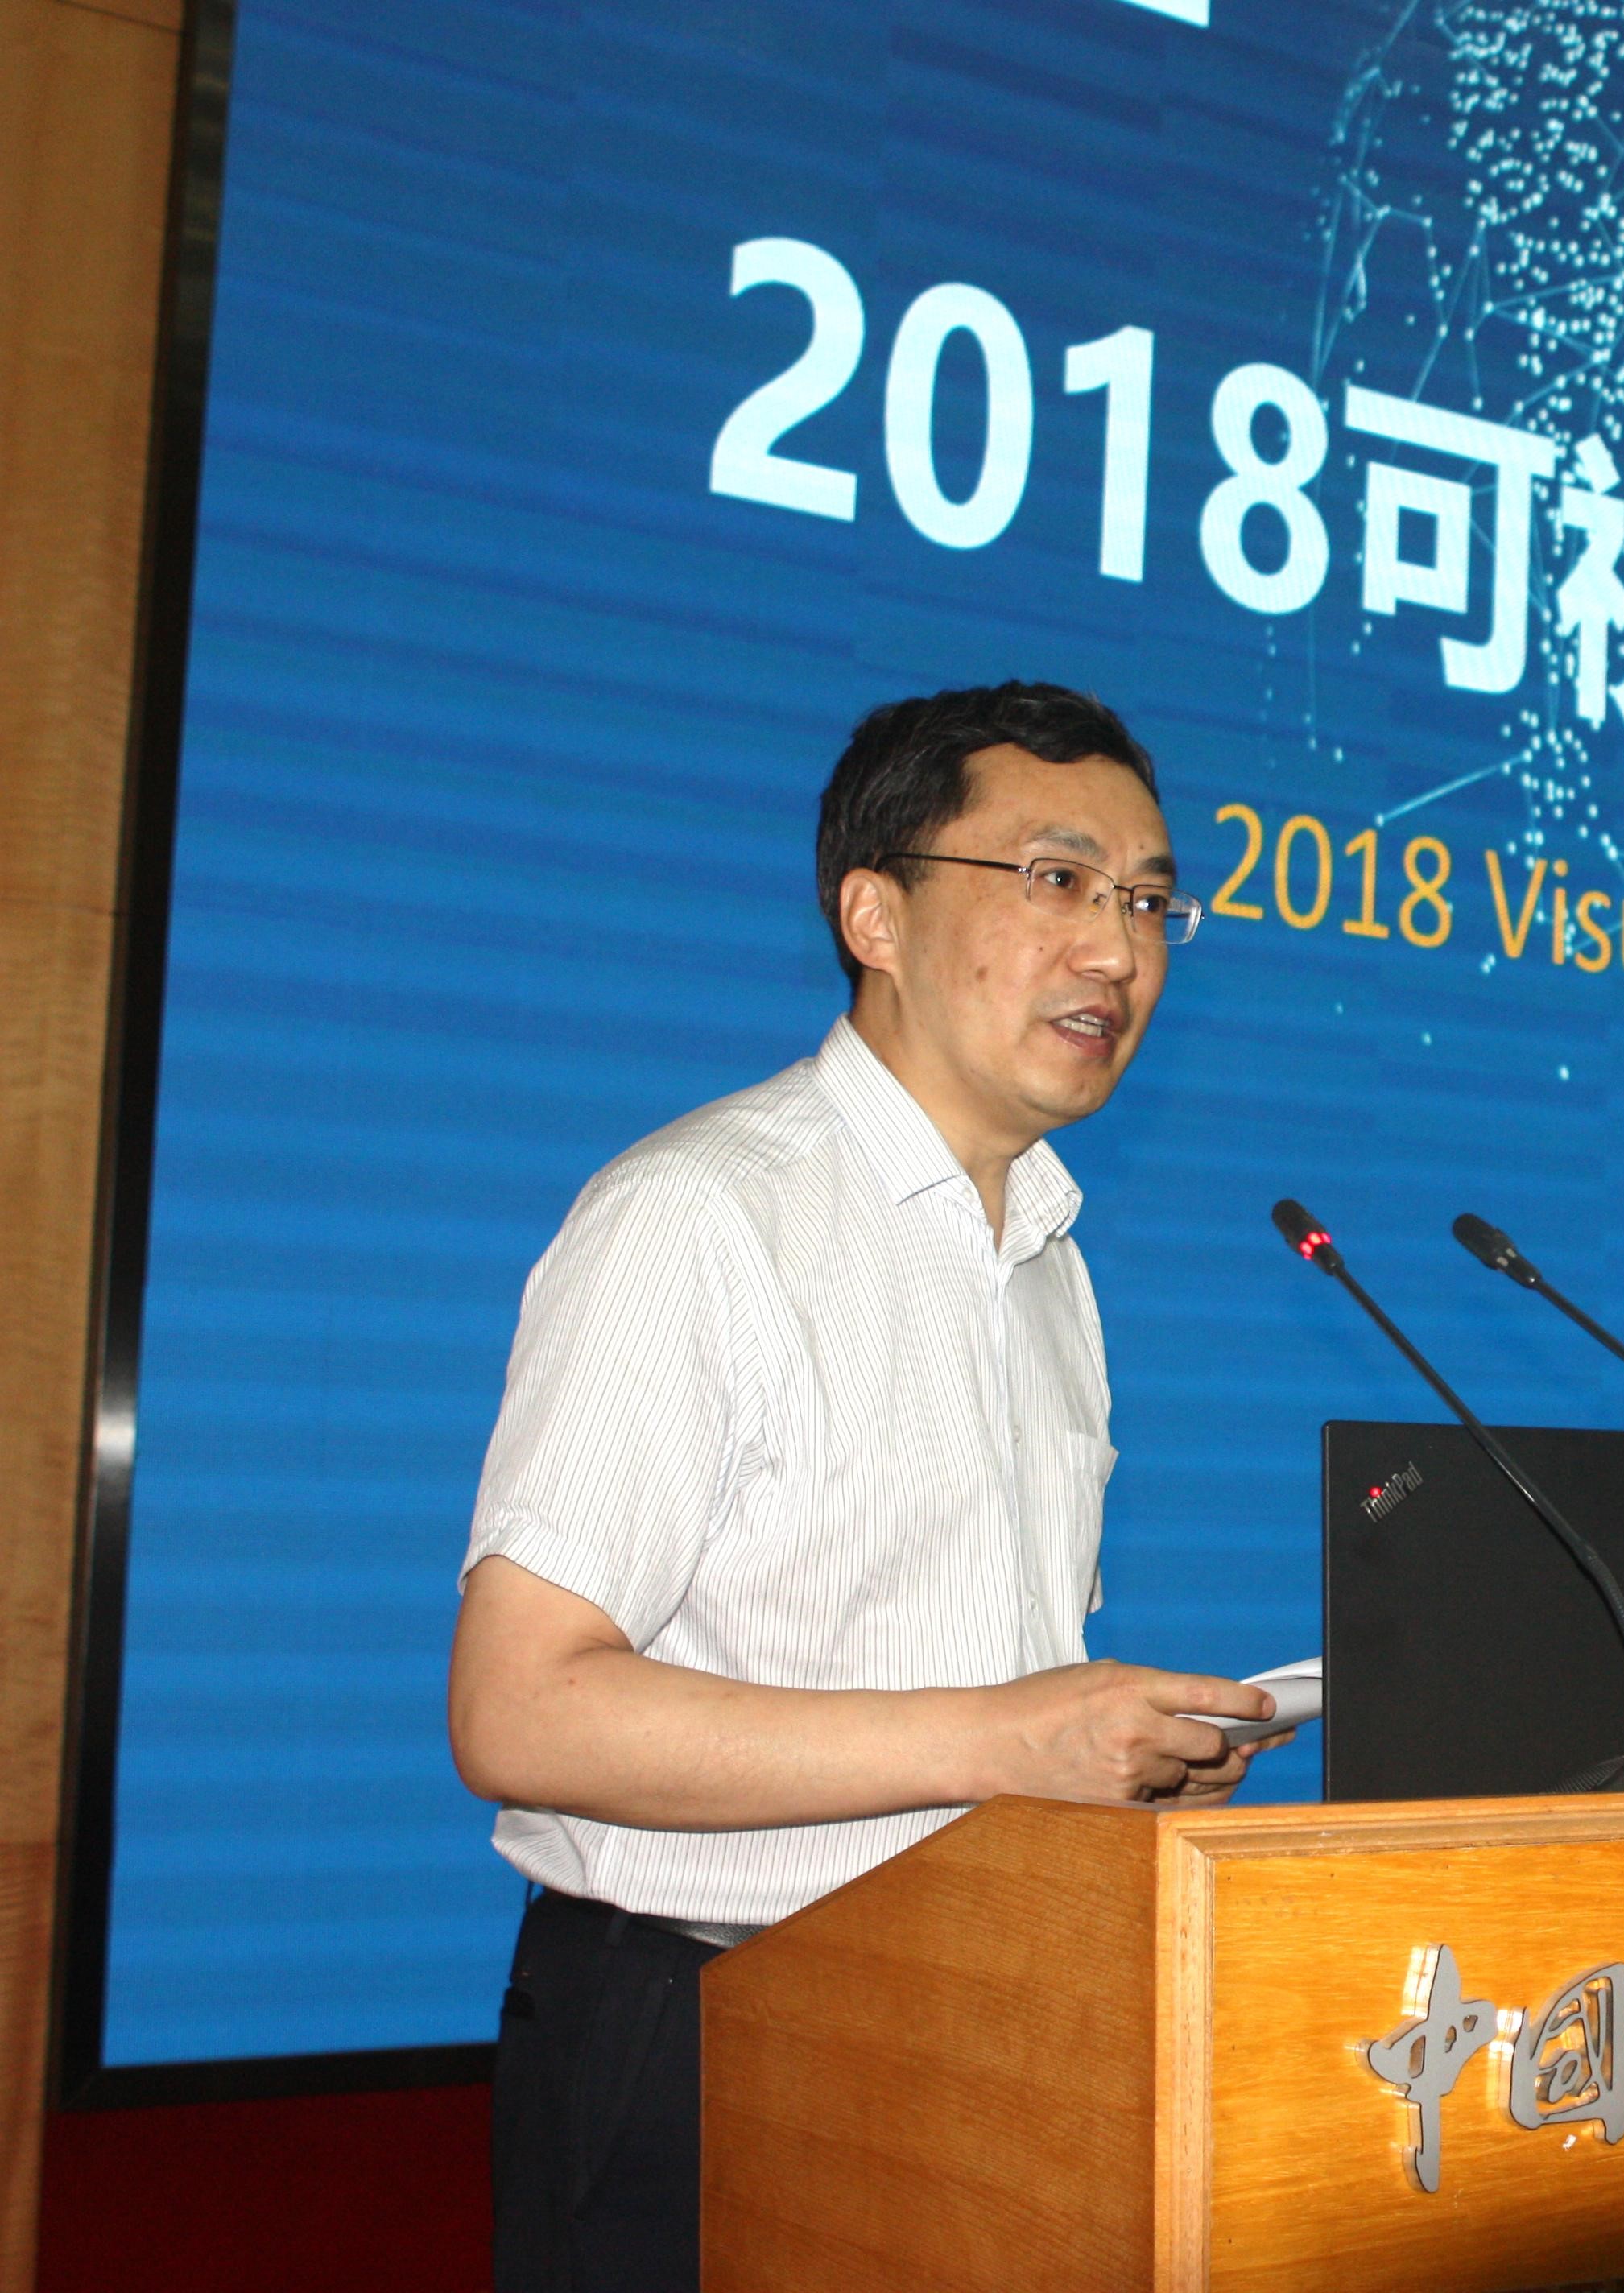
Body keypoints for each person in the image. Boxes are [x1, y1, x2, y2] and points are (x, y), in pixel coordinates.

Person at [447, 683, 1271, 2292]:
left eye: (1148, 901)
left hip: (976, 2023)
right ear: (875, 914)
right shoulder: (701, 1217)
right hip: (701, 2028)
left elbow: (973, 1694)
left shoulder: (1048, 1262)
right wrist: (1010, 1737)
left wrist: (1105, 1769)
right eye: (1058, 879)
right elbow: (520, 1711)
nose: (1117, 950)